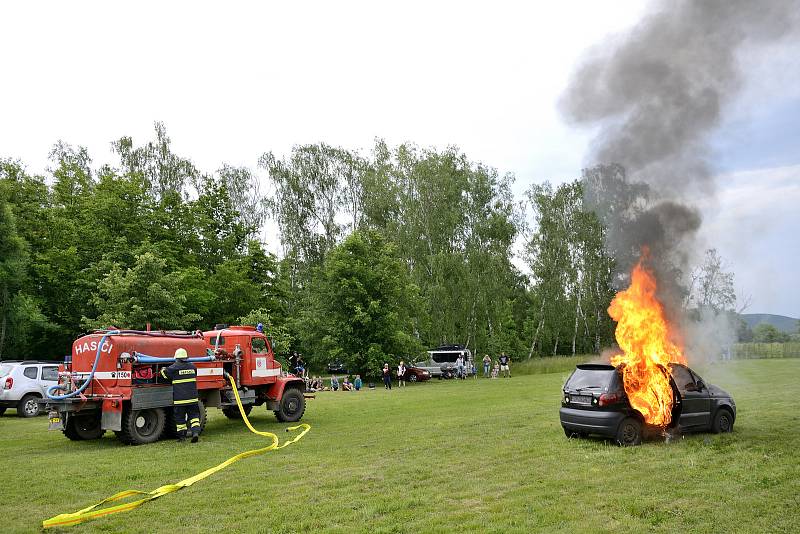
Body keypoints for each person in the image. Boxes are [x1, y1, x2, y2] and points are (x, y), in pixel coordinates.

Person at [160, 348, 201, 443]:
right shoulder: (193, 367)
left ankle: (182, 437)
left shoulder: (173, 368)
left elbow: (164, 375)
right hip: (193, 399)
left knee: (180, 419)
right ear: (186, 357)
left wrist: (163, 369)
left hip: (180, 400)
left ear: (176, 358)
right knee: (194, 417)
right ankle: (195, 433)